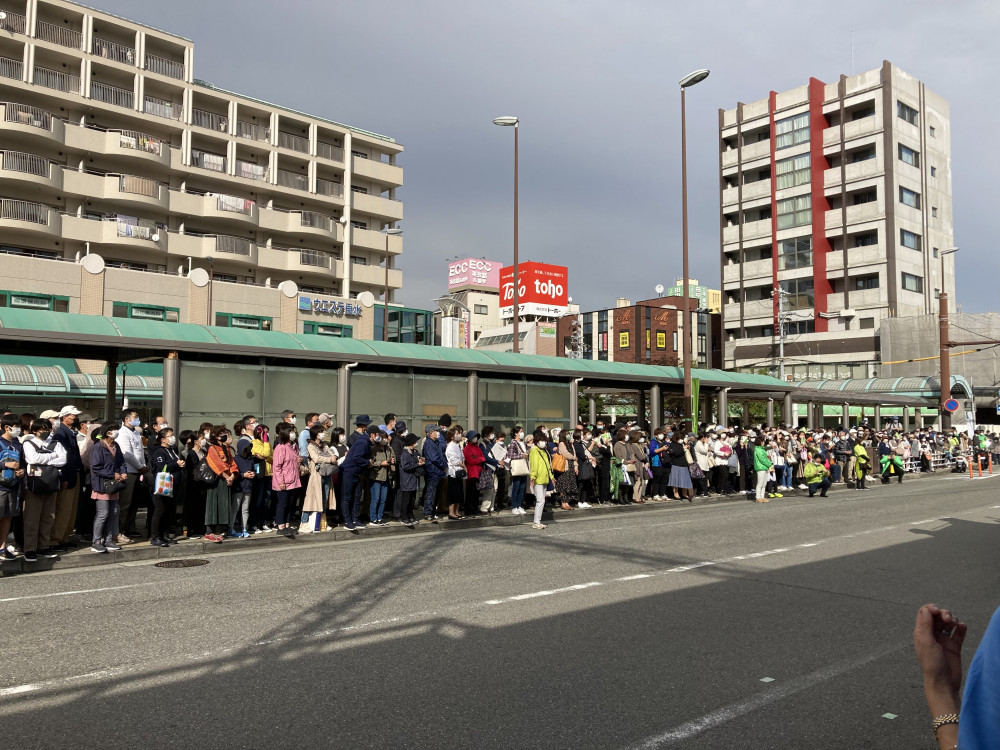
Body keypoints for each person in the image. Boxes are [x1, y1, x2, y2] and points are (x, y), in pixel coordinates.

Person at [21, 418, 67, 562]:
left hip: (51, 483)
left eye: (48, 428)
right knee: (31, 518)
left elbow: (63, 460)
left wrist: (44, 459)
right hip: (34, 484)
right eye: (42, 429)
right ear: (35, 430)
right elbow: (32, 458)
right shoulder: (28, 443)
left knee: (48, 517)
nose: (46, 432)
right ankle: (30, 548)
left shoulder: (56, 443)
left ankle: (43, 546)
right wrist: (53, 456)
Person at [90, 421, 127, 554]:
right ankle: (97, 541)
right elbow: (95, 467)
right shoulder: (98, 447)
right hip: (102, 485)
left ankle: (109, 539)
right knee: (103, 513)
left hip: (114, 485)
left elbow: (121, 461)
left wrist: (123, 472)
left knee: (114, 512)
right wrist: (113, 474)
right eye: (113, 430)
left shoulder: (115, 445)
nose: (116, 432)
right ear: (107, 432)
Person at [50, 405, 83, 550]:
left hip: (74, 474)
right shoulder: (61, 433)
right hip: (67, 475)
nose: (75, 418)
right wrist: (63, 477)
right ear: (65, 416)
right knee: (63, 508)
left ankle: (64, 536)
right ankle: (56, 538)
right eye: (72, 415)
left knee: (71, 509)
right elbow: (63, 457)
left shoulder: (69, 432)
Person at [148, 428, 184, 546]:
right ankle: (155, 536)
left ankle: (164, 535)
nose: (172, 438)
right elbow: (161, 467)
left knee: (168, 511)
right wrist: (175, 464)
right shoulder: (159, 451)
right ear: (163, 439)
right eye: (170, 436)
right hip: (162, 485)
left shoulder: (172, 450)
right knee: (160, 510)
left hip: (172, 485)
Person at [114, 409, 146, 541]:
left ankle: (130, 527)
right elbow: (126, 453)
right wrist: (139, 466)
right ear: (127, 419)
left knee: (134, 502)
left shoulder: (136, 432)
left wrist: (142, 467)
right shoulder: (123, 433)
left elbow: (140, 452)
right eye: (135, 417)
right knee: (125, 503)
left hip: (138, 471)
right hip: (129, 470)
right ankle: (121, 530)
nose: (137, 419)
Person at [203, 426, 237, 543]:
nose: (225, 436)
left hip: (226, 480)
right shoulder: (212, 448)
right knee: (213, 504)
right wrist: (227, 476)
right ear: (215, 436)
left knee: (223, 505)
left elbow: (232, 462)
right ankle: (209, 531)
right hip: (217, 480)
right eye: (222, 434)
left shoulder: (226, 448)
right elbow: (215, 464)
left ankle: (220, 530)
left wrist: (233, 475)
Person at [341, 422, 375, 531]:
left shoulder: (366, 442)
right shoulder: (363, 443)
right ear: (372, 435)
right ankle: (347, 521)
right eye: (377, 435)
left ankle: (355, 519)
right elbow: (356, 458)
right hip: (349, 472)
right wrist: (367, 463)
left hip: (357, 473)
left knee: (356, 497)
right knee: (347, 497)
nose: (379, 438)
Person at [0, 414, 25, 560]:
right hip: (1, 486)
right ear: (6, 427)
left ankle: (2, 548)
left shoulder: (18, 444)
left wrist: (21, 471)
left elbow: (22, 463)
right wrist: (5, 465)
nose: (18, 429)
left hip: (13, 486)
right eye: (15, 426)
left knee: (7, 518)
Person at [271, 422, 301, 536]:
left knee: (290, 504)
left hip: (293, 480)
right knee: (282, 504)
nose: (293, 434)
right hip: (283, 481)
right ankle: (280, 525)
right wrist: (281, 482)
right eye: (290, 432)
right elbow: (277, 467)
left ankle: (287, 524)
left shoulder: (293, 446)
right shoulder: (280, 448)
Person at [231, 416, 256, 538]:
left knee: (245, 509)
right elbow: (234, 473)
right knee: (235, 508)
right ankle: (231, 528)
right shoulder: (236, 459)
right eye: (245, 448)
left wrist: (252, 474)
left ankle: (244, 528)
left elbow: (253, 469)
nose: (247, 450)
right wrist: (243, 475)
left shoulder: (250, 459)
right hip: (239, 486)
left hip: (248, 486)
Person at [528, 429, 554, 530]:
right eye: (542, 440)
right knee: (540, 500)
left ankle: (538, 521)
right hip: (538, 479)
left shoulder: (543, 451)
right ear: (537, 442)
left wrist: (551, 477)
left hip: (544, 478)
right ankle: (536, 522)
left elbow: (547, 465)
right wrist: (533, 477)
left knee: (541, 500)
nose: (544, 442)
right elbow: (534, 465)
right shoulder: (534, 451)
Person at [250, 423, 273, 533]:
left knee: (266, 500)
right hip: (259, 476)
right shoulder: (254, 442)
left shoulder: (267, 444)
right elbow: (266, 452)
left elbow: (271, 457)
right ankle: (254, 523)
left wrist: (265, 456)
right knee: (257, 500)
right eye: (264, 432)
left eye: (267, 432)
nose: (266, 434)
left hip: (269, 474)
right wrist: (266, 452)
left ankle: (263, 523)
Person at [396, 433, 422, 527]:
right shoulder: (405, 453)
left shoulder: (415, 452)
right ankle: (404, 517)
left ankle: (411, 515)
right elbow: (406, 467)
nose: (416, 443)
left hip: (414, 480)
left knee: (412, 499)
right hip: (407, 480)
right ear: (411, 443)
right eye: (415, 441)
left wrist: (421, 460)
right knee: (406, 500)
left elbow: (419, 458)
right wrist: (417, 464)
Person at [368, 429, 393, 526]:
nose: (386, 440)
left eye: (386, 438)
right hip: (376, 476)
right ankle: (373, 518)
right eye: (384, 438)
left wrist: (392, 461)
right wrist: (381, 463)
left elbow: (393, 457)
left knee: (383, 499)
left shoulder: (389, 449)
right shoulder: (373, 449)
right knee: (375, 498)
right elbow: (370, 462)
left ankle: (380, 517)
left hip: (386, 476)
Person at [421, 424, 446, 522]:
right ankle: (428, 512)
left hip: (437, 472)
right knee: (431, 492)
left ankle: (432, 511)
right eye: (436, 431)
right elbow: (435, 458)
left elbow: (441, 455)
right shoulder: (429, 443)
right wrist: (444, 466)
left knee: (436, 493)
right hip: (432, 472)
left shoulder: (435, 442)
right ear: (431, 433)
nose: (438, 433)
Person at [507, 425, 529, 516]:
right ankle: (514, 506)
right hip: (517, 467)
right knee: (516, 487)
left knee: (522, 488)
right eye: (520, 431)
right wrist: (521, 456)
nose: (522, 433)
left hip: (523, 467)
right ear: (516, 433)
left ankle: (519, 506)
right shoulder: (513, 443)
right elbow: (510, 455)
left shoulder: (523, 443)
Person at [445, 427, 466, 520]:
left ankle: (457, 511)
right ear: (452, 436)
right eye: (456, 434)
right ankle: (451, 512)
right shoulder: (450, 446)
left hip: (460, 471)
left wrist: (463, 464)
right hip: (453, 472)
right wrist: (463, 465)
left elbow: (462, 456)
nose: (458, 435)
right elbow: (453, 460)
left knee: (459, 493)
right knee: (453, 493)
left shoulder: (457, 445)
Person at [668, 432, 693, 502]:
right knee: (675, 480)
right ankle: (676, 494)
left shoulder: (682, 444)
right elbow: (675, 453)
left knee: (685, 480)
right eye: (680, 438)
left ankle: (684, 493)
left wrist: (686, 446)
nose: (681, 440)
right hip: (676, 464)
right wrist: (683, 448)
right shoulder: (673, 444)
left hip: (684, 464)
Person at [752, 435, 772, 503]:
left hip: (764, 467)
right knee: (760, 483)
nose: (764, 442)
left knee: (764, 484)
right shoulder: (758, 449)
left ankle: (762, 496)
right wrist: (770, 464)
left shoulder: (761, 449)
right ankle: (758, 497)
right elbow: (762, 459)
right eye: (763, 441)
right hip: (760, 467)